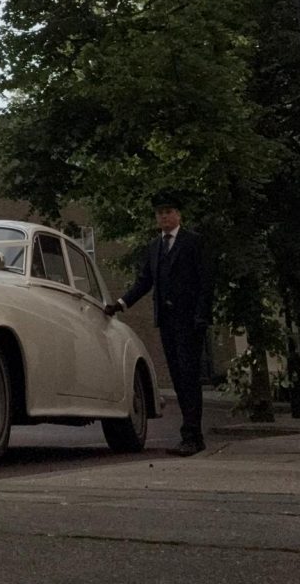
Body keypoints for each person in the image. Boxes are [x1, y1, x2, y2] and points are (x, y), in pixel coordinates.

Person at [104, 193, 213, 456]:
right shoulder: (155, 247)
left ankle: (192, 436)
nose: (164, 217)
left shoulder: (193, 242)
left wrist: (202, 315)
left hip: (189, 321)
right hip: (166, 321)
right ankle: (191, 436)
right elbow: (144, 282)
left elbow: (206, 282)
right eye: (160, 213)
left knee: (189, 377)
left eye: (168, 211)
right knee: (178, 377)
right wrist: (120, 303)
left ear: (178, 215)